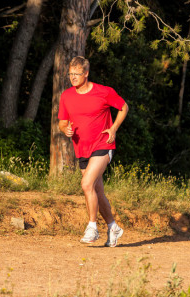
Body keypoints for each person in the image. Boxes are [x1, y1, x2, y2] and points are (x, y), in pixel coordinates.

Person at [58, 56, 128, 247]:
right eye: (70, 74)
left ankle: (92, 227)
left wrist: (113, 128)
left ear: (86, 73)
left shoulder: (103, 92)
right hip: (82, 149)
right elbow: (62, 122)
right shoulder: (66, 96)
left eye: (76, 74)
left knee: (86, 183)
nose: (73, 77)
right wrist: (66, 130)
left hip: (103, 145)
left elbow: (123, 107)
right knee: (96, 190)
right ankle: (113, 226)